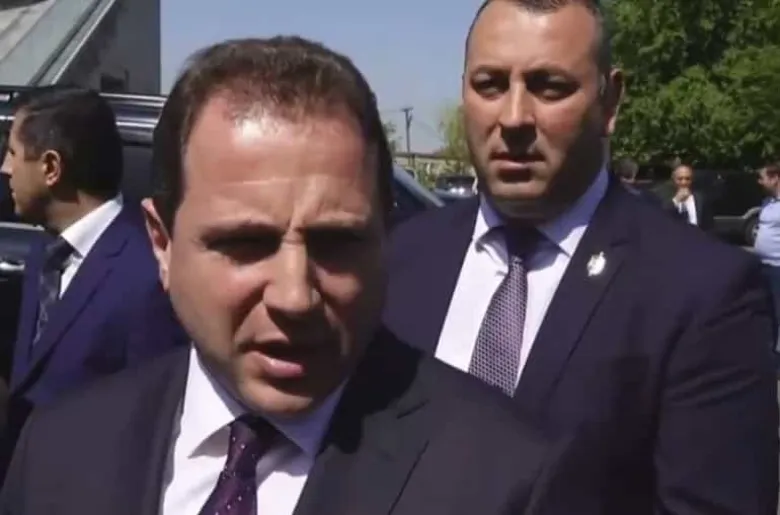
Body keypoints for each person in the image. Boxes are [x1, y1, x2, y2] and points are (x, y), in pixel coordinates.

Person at [0, 37, 599, 515]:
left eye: (336, 243)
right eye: (245, 244)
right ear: (162, 244)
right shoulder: (60, 450)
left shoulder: (507, 481)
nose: (294, 296)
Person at [383, 1, 778, 513]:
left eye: (549, 87)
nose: (514, 117)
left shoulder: (705, 294)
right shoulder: (400, 257)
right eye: (490, 85)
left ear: (609, 100)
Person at [0, 87, 187, 473]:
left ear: (51, 168)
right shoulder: (46, 251)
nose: (5, 168)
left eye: (13, 153)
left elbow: (149, 424)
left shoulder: (147, 274)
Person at [661, 164, 715, 231]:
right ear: (674, 180)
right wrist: (676, 200)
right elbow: (661, 217)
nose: (684, 182)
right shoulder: (665, 198)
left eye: (687, 179)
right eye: (680, 179)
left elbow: (709, 226)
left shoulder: (700, 199)